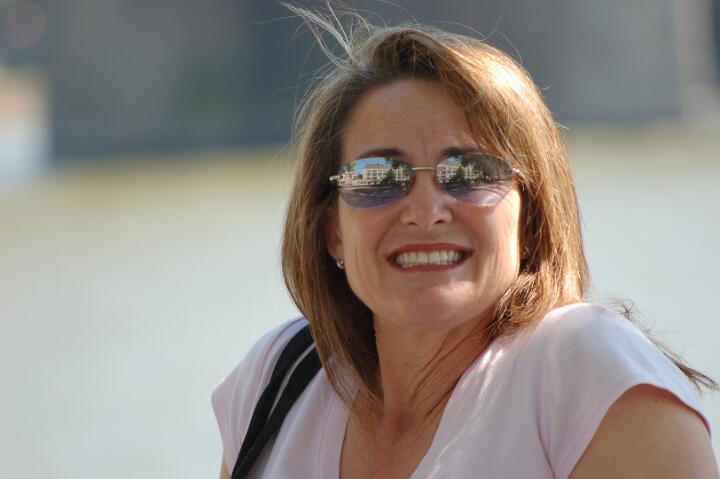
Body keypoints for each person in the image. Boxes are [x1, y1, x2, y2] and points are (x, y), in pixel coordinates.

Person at [212, 9, 718, 479]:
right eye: (378, 176)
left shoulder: (590, 374)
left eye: (471, 172)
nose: (425, 210)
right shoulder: (277, 379)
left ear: (531, 219)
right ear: (332, 230)